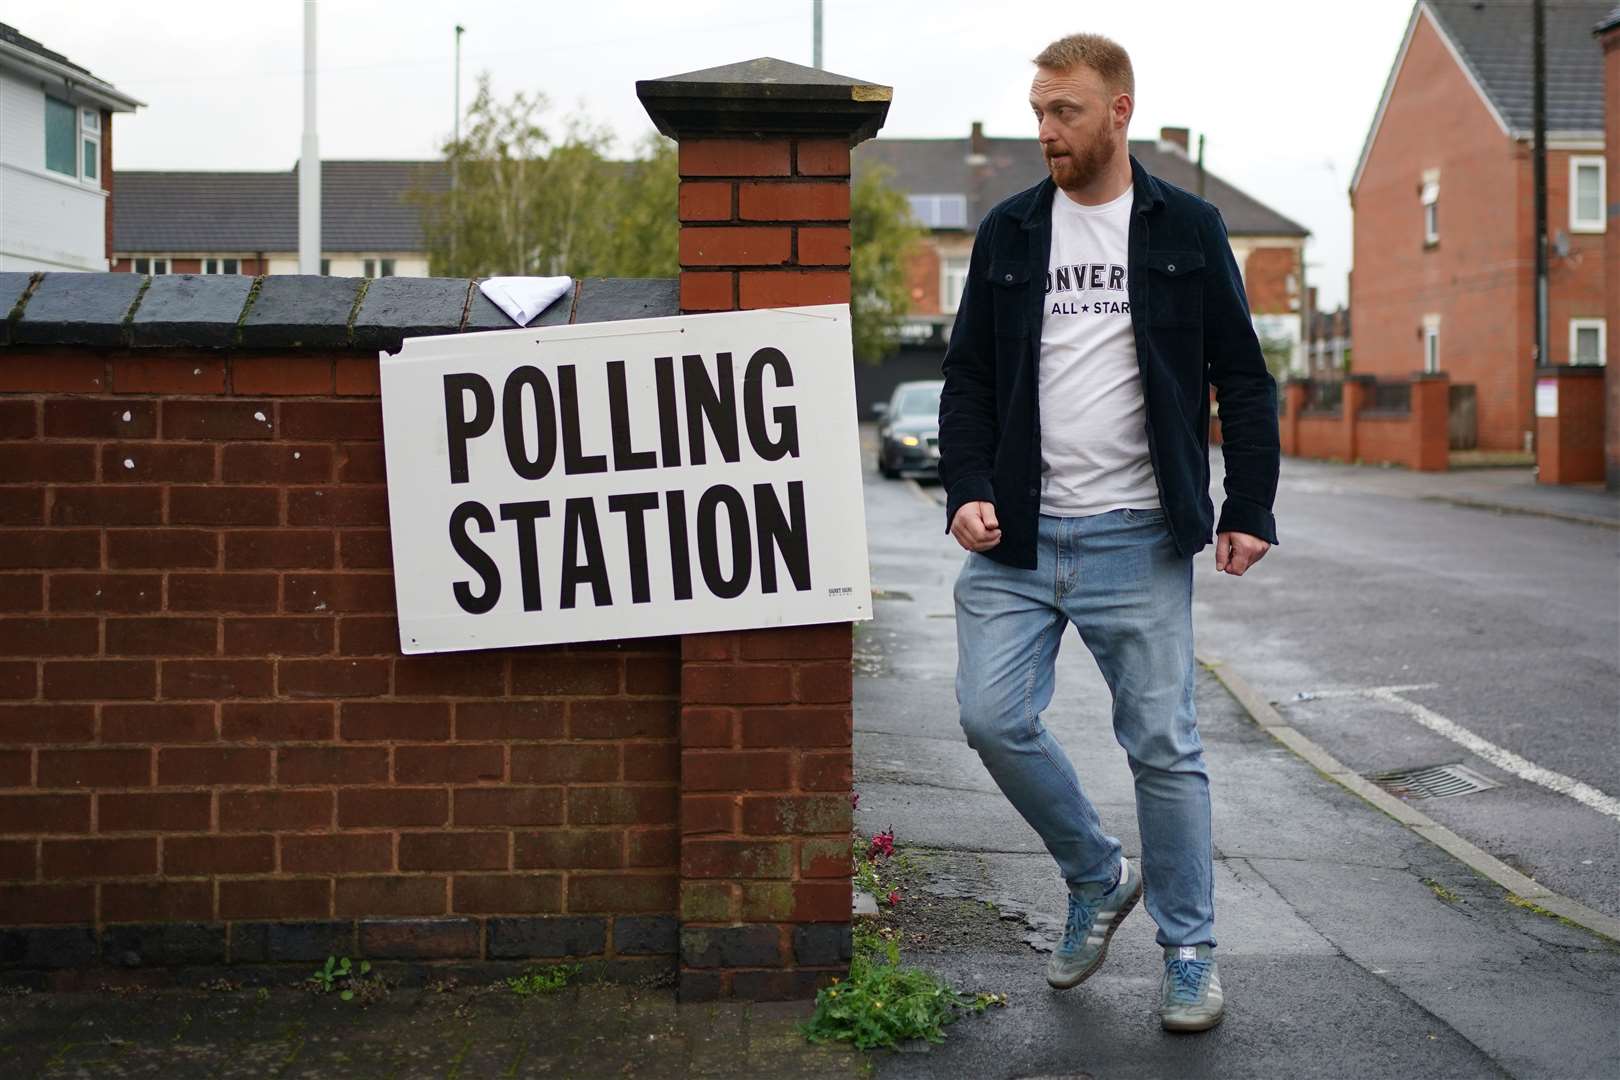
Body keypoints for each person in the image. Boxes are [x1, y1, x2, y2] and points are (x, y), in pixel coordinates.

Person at [937, 31, 1280, 1033]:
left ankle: (1189, 953)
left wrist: (1248, 506)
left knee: (1164, 748)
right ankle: (1096, 875)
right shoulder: (1008, 233)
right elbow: (968, 379)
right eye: (1038, 110)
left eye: (1064, 111)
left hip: (1138, 533)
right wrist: (965, 487)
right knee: (990, 717)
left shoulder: (1188, 226)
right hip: (1019, 537)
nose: (1044, 129)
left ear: (1118, 112)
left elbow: (1243, 379)